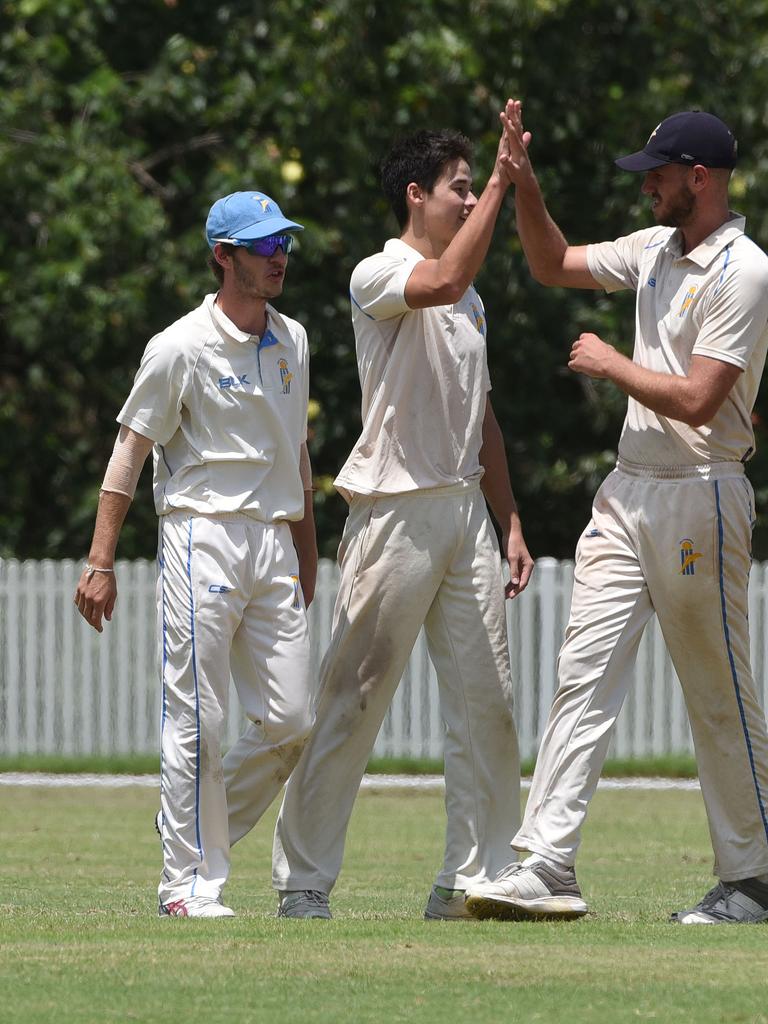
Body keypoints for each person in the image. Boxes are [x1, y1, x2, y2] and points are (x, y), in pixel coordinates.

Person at [465, 105, 768, 925]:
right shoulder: (654, 249)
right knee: (582, 671)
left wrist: (611, 364)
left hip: (701, 488)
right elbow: (551, 261)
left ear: (698, 180)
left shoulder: (744, 270)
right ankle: (546, 863)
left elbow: (704, 400)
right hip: (629, 488)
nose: (649, 187)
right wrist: (522, 185)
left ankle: (752, 877)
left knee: (718, 691)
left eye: (660, 175)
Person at [272, 113, 534, 920]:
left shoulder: (475, 299)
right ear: (417, 196)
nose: (468, 201)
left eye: (473, 187)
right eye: (459, 189)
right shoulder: (376, 273)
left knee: (486, 704)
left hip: (463, 512)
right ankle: (304, 882)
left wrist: (511, 520)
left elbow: (481, 417)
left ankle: (471, 882)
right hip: (393, 509)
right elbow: (442, 281)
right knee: (353, 697)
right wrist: (501, 180)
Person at [74, 191, 317, 918]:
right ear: (223, 255)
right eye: (263, 247)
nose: (278, 258)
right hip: (197, 533)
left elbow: (297, 453)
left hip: (272, 539)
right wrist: (99, 560)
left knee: (292, 719)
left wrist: (305, 553)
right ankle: (184, 883)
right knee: (199, 719)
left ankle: (194, 837)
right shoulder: (179, 345)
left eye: (283, 245)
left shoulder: (295, 339)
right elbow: (129, 453)